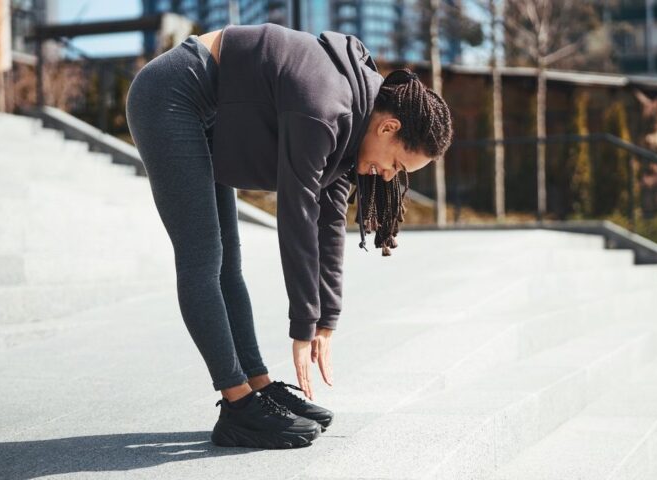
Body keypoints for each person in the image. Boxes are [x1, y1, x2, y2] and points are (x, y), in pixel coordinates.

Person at [125, 22, 453, 450]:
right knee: (203, 259)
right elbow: (296, 214)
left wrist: (326, 318)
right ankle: (238, 404)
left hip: (214, 115)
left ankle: (256, 385)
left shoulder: (357, 125)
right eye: (397, 165)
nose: (390, 176)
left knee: (229, 262)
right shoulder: (325, 106)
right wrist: (302, 323)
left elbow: (330, 217)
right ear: (389, 128)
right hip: (170, 96)